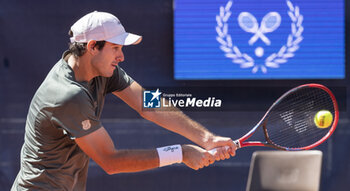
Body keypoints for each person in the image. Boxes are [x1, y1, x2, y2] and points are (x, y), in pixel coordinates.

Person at [11, 11, 236, 190]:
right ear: (92, 47)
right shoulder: (67, 95)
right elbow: (111, 161)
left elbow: (149, 103)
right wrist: (181, 153)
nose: (121, 56)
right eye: (115, 48)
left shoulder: (101, 69)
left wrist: (207, 138)